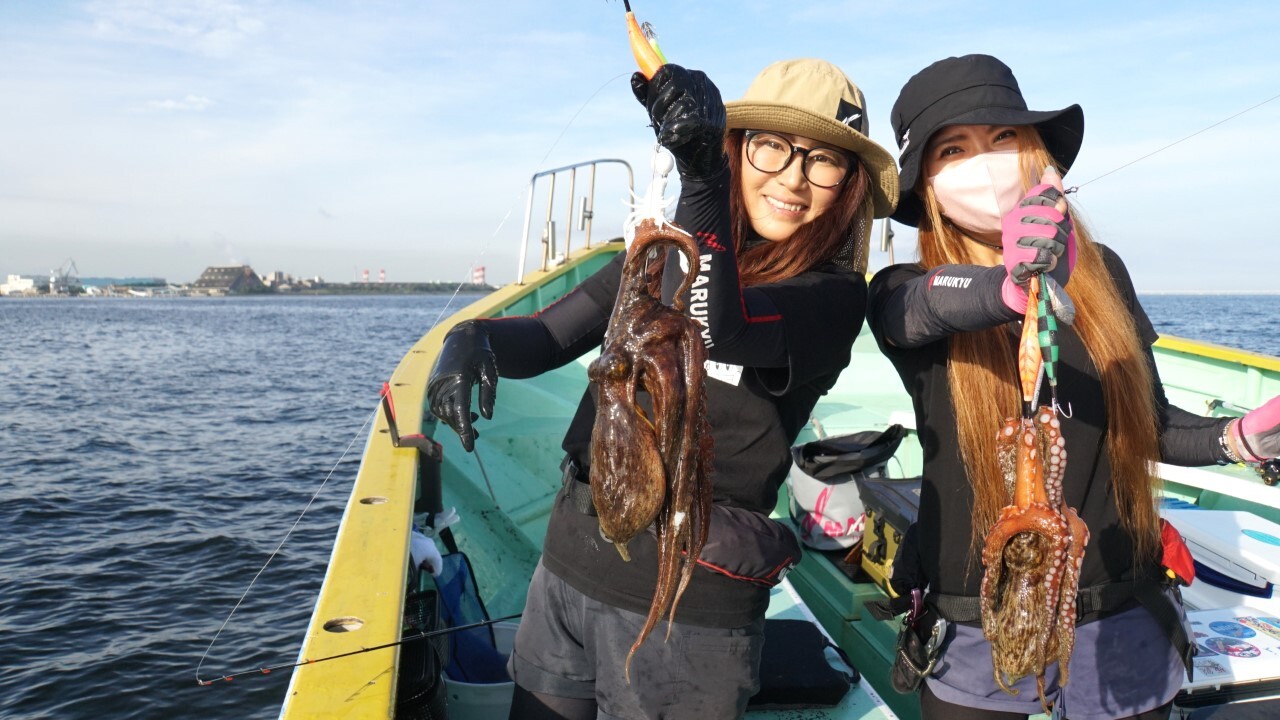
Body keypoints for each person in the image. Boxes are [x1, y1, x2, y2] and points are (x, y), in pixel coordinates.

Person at [427, 58, 898, 719]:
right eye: (772, 146)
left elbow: (713, 323)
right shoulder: (659, 256)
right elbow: (549, 336)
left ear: (848, 185)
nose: (794, 176)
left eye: (825, 161)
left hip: (688, 609)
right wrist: (473, 339)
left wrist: (704, 177)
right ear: (741, 147)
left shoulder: (832, 297)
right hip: (568, 566)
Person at [867, 54, 1280, 720]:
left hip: (1118, 619)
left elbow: (1151, 424)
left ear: (1037, 153)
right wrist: (1009, 287)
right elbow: (921, 311)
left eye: (1004, 138)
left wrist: (1240, 439)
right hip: (974, 625)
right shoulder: (900, 291)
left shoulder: (1103, 272)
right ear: (928, 184)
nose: (988, 161)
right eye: (954, 148)